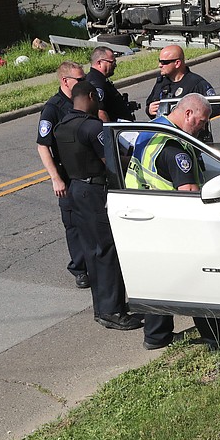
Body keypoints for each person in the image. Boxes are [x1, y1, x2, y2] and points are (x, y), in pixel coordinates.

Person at [126, 93, 220, 350]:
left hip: (144, 213)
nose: (203, 127)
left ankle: (156, 336)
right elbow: (188, 194)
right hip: (173, 220)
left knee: (159, 276)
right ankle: (216, 339)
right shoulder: (175, 148)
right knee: (199, 279)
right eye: (201, 121)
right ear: (188, 114)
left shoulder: (153, 129)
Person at [54, 81, 143, 331]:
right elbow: (112, 161)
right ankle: (113, 311)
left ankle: (102, 308)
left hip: (76, 190)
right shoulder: (94, 128)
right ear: (91, 96)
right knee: (107, 251)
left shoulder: (63, 126)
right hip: (96, 191)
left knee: (93, 252)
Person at [36, 61, 90, 290]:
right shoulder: (53, 108)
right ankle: (80, 269)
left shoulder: (85, 100)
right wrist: (55, 178)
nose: (84, 82)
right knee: (74, 225)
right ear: (65, 81)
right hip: (67, 175)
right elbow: (42, 146)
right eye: (80, 79)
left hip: (87, 172)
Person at [144, 45, 216, 119]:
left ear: (177, 63)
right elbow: (150, 103)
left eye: (164, 62)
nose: (160, 65)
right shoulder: (161, 82)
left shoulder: (196, 83)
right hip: (165, 129)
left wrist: (191, 115)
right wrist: (149, 110)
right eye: (159, 61)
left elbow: (215, 108)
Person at [85, 46, 136, 122]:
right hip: (117, 130)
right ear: (99, 63)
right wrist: (109, 132)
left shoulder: (100, 79)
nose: (115, 65)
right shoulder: (96, 82)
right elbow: (100, 112)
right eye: (112, 62)